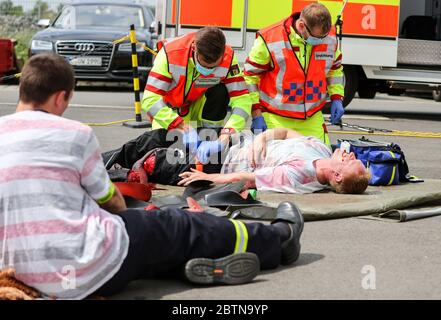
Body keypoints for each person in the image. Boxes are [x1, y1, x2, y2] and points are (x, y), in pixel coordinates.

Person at [0, 53, 304, 299]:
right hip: (85, 272)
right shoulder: (75, 134)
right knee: (174, 226)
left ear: (22, 89)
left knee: (151, 247)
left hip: (17, 273)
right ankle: (279, 239)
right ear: (61, 97)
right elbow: (110, 200)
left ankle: (188, 266)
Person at [104, 128, 369, 195]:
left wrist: (208, 179)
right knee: (156, 137)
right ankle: (97, 164)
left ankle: (98, 172)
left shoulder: (299, 176)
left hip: (220, 163)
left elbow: (245, 178)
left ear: (336, 176)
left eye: (350, 162)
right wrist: (262, 139)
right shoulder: (321, 148)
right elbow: (286, 133)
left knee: (152, 161)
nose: (350, 154)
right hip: (231, 144)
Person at [142, 26, 252, 164]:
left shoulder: (228, 58)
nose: (208, 70)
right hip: (170, 112)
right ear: (194, 48)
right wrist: (181, 127)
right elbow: (150, 99)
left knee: (220, 90)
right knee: (164, 157)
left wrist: (226, 135)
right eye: (205, 65)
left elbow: (242, 99)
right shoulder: (171, 54)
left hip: (198, 106)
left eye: (214, 67)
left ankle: (210, 135)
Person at [244, 3, 345, 146]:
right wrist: (256, 113)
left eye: (323, 37)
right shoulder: (270, 38)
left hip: (311, 118)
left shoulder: (328, 37)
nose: (320, 41)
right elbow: (249, 76)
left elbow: (334, 69)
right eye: (316, 38)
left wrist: (337, 98)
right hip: (276, 118)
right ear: (302, 26)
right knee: (276, 165)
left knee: (323, 163)